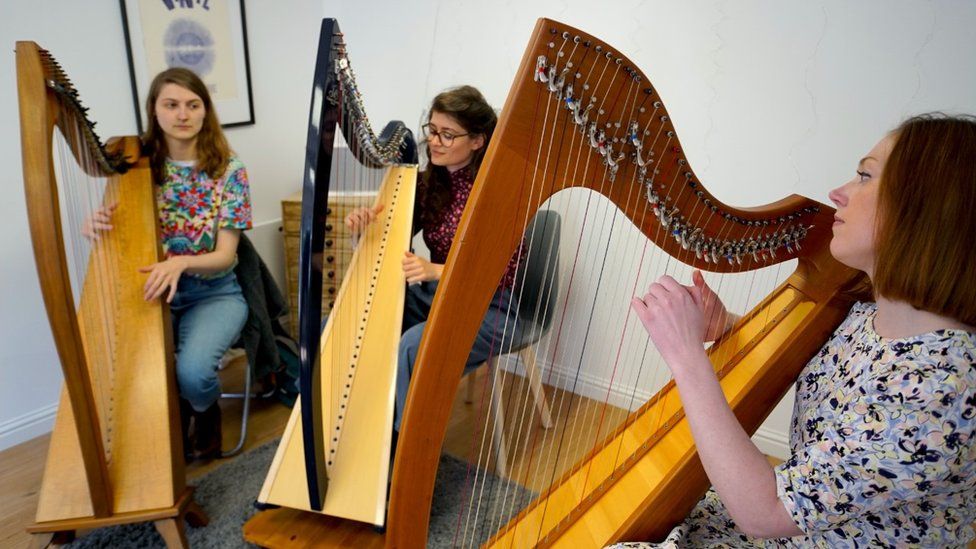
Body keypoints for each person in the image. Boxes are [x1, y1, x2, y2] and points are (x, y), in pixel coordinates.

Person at [614, 113, 976, 547]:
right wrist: (725, 325)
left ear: (925, 210)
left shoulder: (939, 388)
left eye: (864, 176)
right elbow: (826, 365)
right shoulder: (870, 314)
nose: (837, 193)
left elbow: (763, 513)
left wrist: (686, 357)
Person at [87, 67, 252, 461]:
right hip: (151, 292)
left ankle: (205, 415)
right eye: (172, 104)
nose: (183, 114)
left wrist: (179, 264)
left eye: (193, 105)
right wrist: (95, 224)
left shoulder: (229, 169)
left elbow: (226, 256)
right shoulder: (133, 166)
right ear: (154, 111)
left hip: (213, 294)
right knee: (136, 373)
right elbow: (124, 233)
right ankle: (171, 426)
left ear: (205, 111)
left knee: (193, 373)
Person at [344, 85, 524, 432]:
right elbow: (389, 244)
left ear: (477, 141)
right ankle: (361, 421)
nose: (435, 142)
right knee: (360, 314)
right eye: (432, 130)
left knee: (412, 345)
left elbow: (501, 271)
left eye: (447, 134)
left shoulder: (499, 191)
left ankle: (402, 446)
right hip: (440, 296)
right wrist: (363, 229)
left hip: (492, 307)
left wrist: (435, 269)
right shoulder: (429, 184)